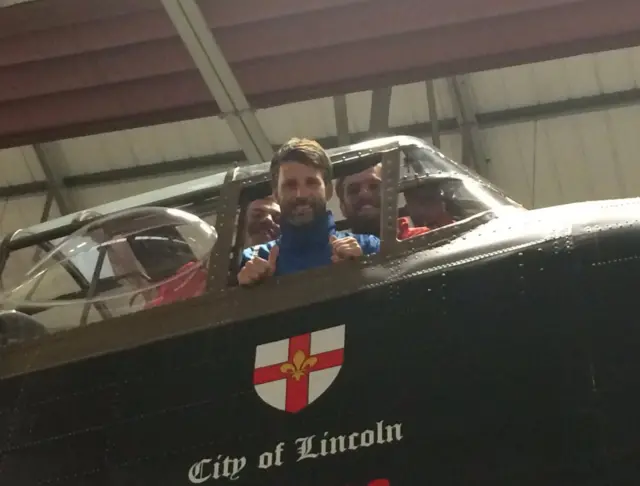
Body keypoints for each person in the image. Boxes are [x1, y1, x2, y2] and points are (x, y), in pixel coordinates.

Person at [237, 138, 380, 286]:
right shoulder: (252, 260)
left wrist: (364, 270)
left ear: (328, 190)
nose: (301, 194)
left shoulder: (368, 247)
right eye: (290, 185)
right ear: (276, 195)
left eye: (312, 183)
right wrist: (249, 292)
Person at [336, 163, 431, 240]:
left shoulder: (422, 238)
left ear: (392, 195)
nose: (365, 194)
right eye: (354, 190)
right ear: (342, 206)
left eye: (374, 186)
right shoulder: (338, 257)